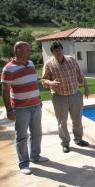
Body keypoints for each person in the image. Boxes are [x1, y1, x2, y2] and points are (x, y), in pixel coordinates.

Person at [1, 41, 49, 175]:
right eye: (28, 50)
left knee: (37, 133)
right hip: (21, 108)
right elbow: (5, 91)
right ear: (19, 51)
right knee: (21, 136)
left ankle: (35, 156)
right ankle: (23, 164)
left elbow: (33, 84)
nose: (31, 52)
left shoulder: (31, 64)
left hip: (35, 106)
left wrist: (39, 100)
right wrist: (9, 110)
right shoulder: (8, 69)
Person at [41, 41, 89, 153]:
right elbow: (43, 80)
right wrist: (50, 83)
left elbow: (80, 74)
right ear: (52, 52)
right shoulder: (49, 64)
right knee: (62, 122)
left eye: (60, 49)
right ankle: (65, 143)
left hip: (75, 95)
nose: (58, 52)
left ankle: (78, 139)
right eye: (55, 51)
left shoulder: (71, 60)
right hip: (59, 97)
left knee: (77, 120)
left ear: (62, 50)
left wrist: (86, 88)